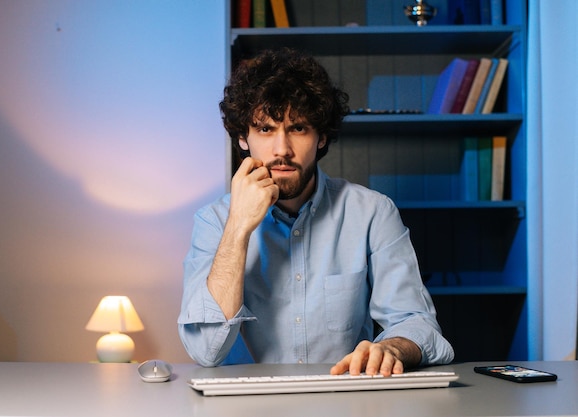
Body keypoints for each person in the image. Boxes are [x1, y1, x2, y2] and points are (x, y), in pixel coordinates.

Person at [178, 48, 454, 376]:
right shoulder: (213, 221)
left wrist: (390, 348)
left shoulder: (372, 213)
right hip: (246, 405)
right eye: (265, 129)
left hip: (345, 401)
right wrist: (238, 227)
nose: (282, 150)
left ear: (321, 137)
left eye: (298, 128)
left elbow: (416, 323)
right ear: (243, 139)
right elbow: (205, 351)